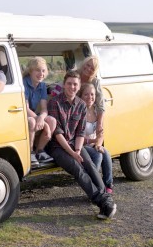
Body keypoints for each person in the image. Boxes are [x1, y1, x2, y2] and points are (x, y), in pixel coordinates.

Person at [46, 70, 117, 219]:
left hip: (74, 143)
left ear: (79, 87)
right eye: (69, 83)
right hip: (57, 146)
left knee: (89, 165)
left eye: (75, 84)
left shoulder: (81, 105)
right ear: (64, 85)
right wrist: (73, 154)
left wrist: (78, 150)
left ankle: (107, 201)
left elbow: (80, 132)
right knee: (78, 169)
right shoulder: (54, 102)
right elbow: (57, 133)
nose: (72, 87)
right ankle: (103, 203)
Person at [79, 82, 114, 193]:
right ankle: (95, 186)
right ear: (81, 96)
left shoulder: (96, 110)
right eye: (86, 94)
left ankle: (108, 184)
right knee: (98, 155)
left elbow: (101, 132)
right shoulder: (79, 111)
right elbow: (77, 137)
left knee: (106, 153)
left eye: (92, 94)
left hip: (94, 144)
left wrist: (98, 144)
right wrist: (94, 141)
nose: (90, 97)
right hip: (82, 145)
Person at [23, 57, 56, 166]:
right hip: (23, 114)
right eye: (37, 70)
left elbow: (44, 109)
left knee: (52, 120)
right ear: (31, 71)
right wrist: (44, 124)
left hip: (34, 114)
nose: (41, 73)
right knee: (32, 122)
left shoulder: (42, 85)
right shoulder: (24, 83)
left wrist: (42, 118)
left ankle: (40, 151)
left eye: (43, 71)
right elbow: (26, 109)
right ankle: (30, 151)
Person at [77, 55, 105, 135]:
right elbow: (62, 85)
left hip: (88, 113)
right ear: (84, 64)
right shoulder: (74, 74)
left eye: (92, 68)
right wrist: (53, 91)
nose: (89, 69)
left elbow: (101, 105)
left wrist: (99, 124)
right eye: (88, 65)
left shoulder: (95, 82)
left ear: (95, 71)